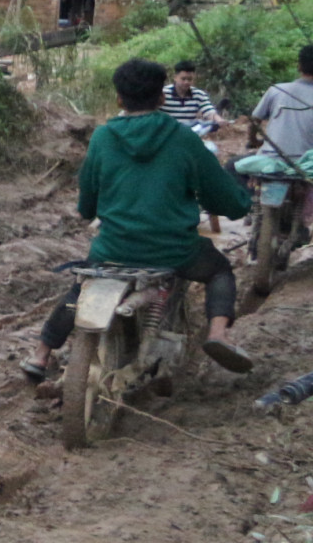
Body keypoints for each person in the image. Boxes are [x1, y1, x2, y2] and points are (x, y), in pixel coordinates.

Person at [23, 57, 253, 381]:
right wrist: (240, 203)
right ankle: (218, 334)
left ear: (119, 99)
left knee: (82, 286)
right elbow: (223, 197)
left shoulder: (103, 137)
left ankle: (41, 354)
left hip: (115, 247)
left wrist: (91, 212)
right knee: (219, 271)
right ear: (162, 98)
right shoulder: (184, 138)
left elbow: (87, 201)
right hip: (175, 250)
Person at [251, 44, 313, 160]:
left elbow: (255, 120)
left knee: (231, 165)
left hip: (271, 159)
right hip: (307, 164)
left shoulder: (276, 90)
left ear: (299, 66)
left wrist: (254, 140)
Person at [163, 60, 223, 134]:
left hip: (189, 132)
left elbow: (209, 111)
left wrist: (220, 121)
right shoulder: (163, 93)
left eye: (190, 79)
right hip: (168, 132)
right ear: (175, 77)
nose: (186, 82)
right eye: (183, 79)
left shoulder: (199, 94)